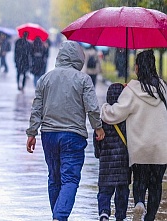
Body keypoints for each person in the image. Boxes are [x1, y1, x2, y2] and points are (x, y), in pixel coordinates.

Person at [26, 40, 105, 221]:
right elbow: (92, 108)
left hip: (49, 135)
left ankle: (57, 215)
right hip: (73, 136)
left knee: (54, 178)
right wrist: (97, 127)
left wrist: (32, 133)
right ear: (79, 58)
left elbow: (36, 108)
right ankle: (59, 217)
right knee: (70, 179)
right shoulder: (83, 79)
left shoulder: (45, 79)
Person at [101, 50, 167, 221]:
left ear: (137, 67)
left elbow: (116, 114)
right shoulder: (163, 88)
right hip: (161, 146)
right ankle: (150, 217)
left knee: (139, 180)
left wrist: (104, 108)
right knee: (156, 184)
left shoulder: (132, 89)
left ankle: (139, 202)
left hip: (139, 147)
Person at [93, 83, 130, 221]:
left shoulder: (102, 117)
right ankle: (120, 215)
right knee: (122, 191)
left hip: (106, 163)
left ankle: (104, 212)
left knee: (104, 190)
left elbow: (97, 140)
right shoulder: (126, 116)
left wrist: (99, 154)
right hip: (123, 162)